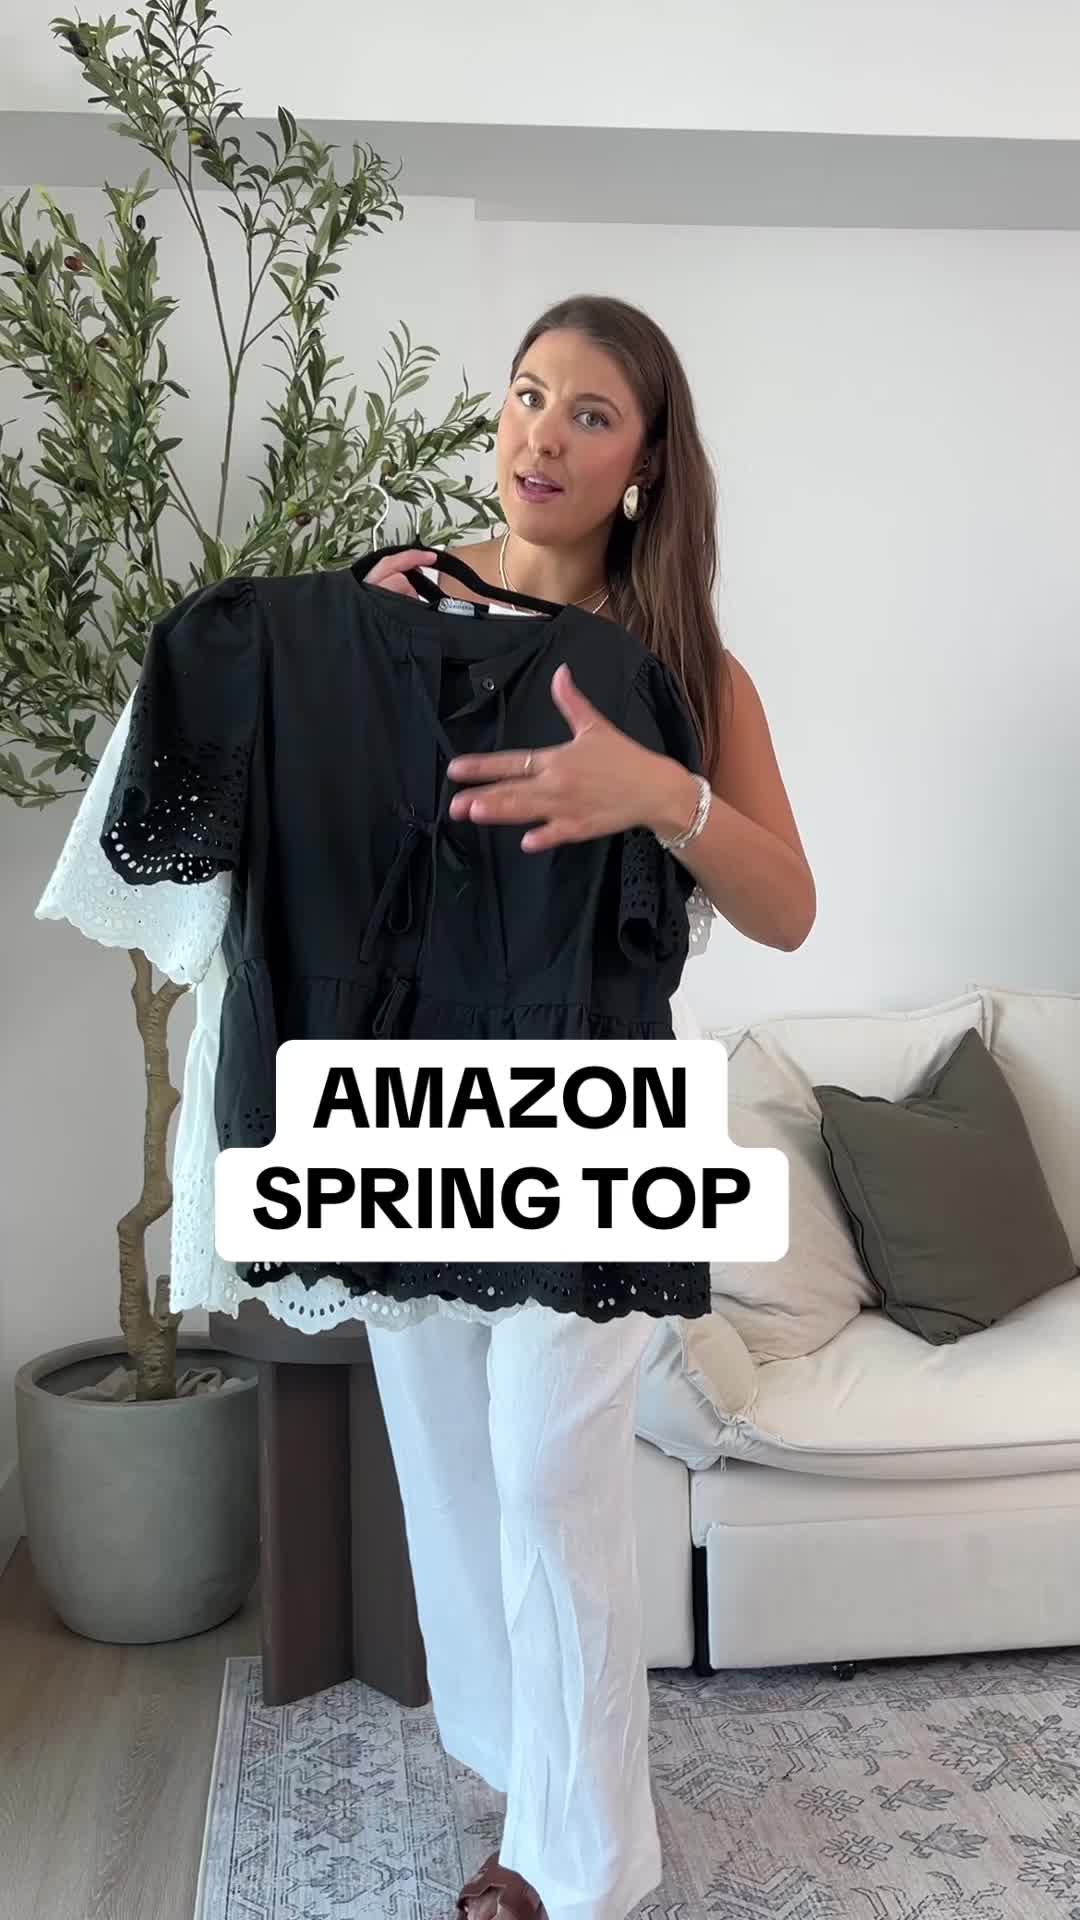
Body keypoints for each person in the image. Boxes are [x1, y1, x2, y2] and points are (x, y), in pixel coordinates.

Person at [358, 295, 816, 1920]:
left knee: (549, 1467)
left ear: (646, 464)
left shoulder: (686, 668)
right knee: (449, 1467)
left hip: (596, 1102)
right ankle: (526, 1790)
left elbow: (786, 908)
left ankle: (584, 1866)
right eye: (526, 395)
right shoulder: (398, 602)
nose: (542, 434)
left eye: (591, 413)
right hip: (402, 1096)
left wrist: (659, 792)